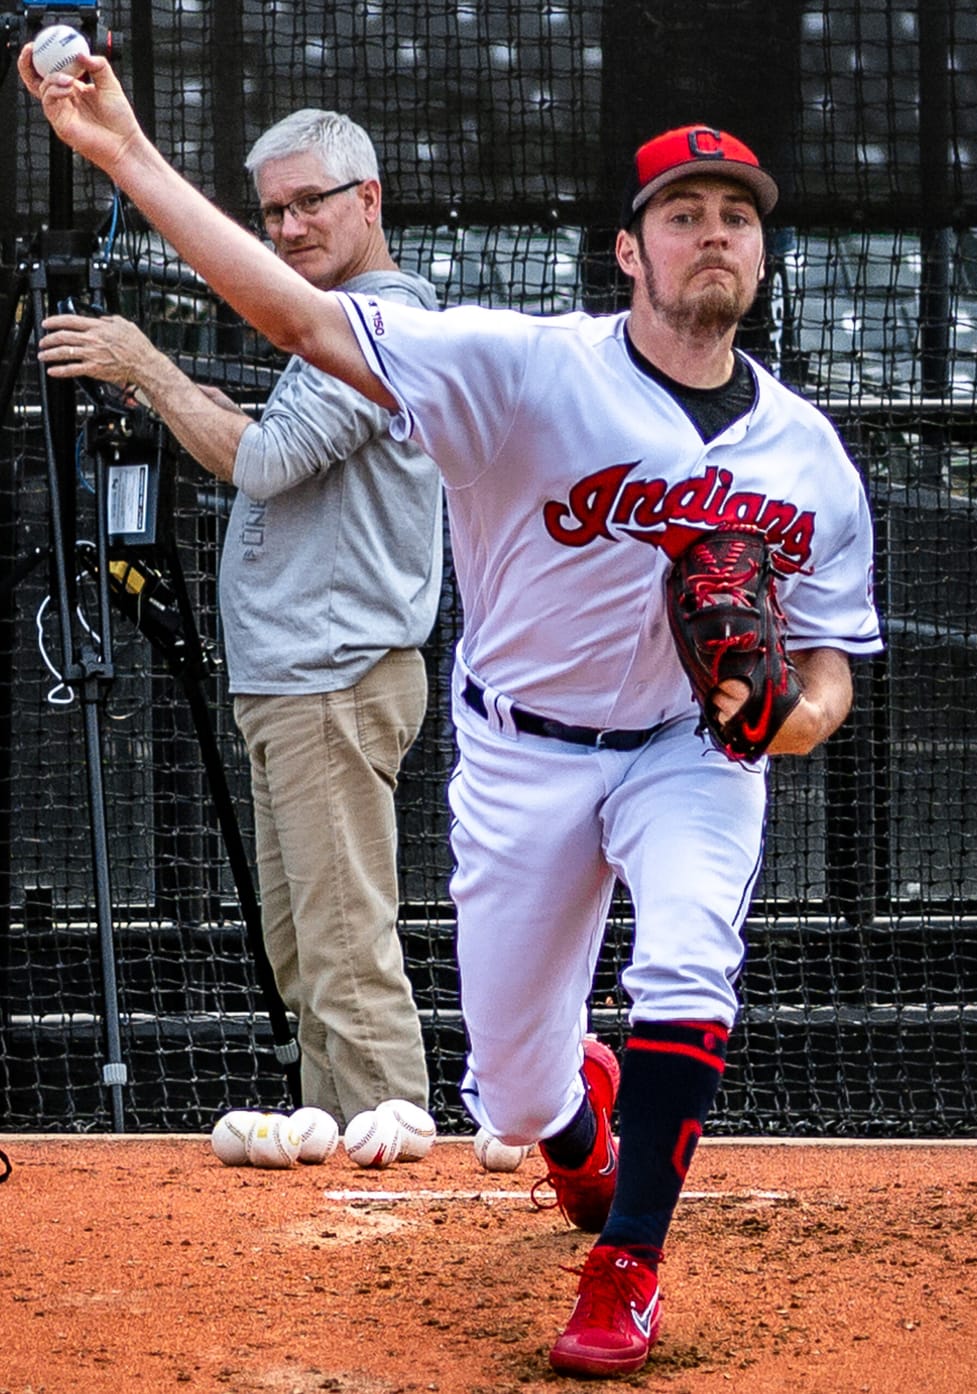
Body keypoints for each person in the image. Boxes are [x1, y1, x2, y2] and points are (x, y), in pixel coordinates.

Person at [24, 53, 884, 1379]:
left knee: (688, 960)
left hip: (682, 752)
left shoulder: (807, 455)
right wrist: (125, 157)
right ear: (629, 251)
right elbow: (306, 327)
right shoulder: (521, 366)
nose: (712, 232)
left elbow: (826, 659)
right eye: (681, 213)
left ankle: (626, 1266)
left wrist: (799, 719)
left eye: (737, 215)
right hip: (525, 751)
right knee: (519, 1086)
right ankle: (579, 1132)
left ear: (762, 250)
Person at [38, 107, 443, 1129]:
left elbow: (262, 461)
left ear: (369, 199)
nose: (290, 226)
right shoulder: (331, 321)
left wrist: (147, 367)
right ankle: (344, 1174)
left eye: (311, 201)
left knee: (346, 955)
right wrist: (198, 401)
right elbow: (278, 446)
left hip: (333, 680)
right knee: (310, 954)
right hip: (298, 681)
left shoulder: (376, 318)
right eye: (272, 211)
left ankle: (399, 1187)